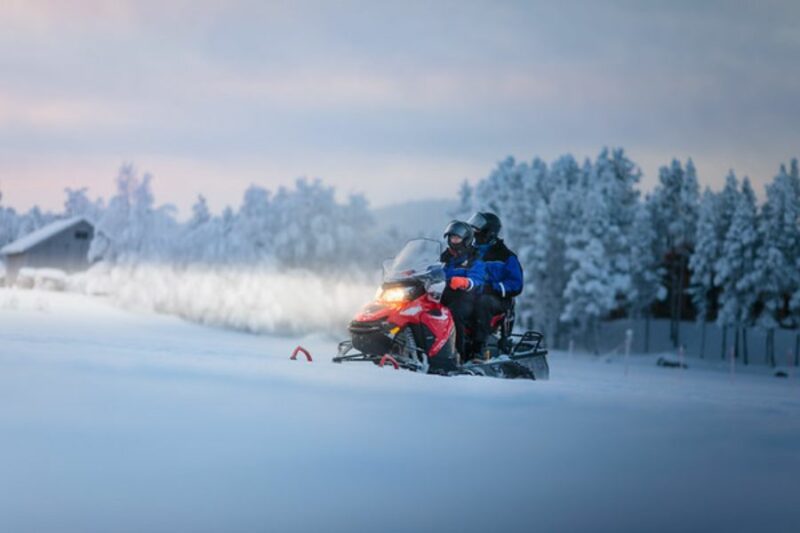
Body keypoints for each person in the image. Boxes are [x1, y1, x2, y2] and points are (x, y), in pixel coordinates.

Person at [467, 212, 523, 359]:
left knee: (483, 302)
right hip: (471, 294)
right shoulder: (469, 252)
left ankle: (478, 348)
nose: (474, 233)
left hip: (498, 299)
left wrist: (493, 288)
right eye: (473, 230)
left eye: (477, 230)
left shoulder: (505, 256)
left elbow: (516, 284)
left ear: (488, 232)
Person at [440, 220, 485, 362]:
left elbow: (478, 279)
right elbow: (432, 269)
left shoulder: (474, 257)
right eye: (451, 237)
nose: (453, 240)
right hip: (445, 293)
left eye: (457, 238)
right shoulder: (445, 256)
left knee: (453, 314)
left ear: (466, 240)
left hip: (467, 297)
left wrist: (466, 282)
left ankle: (458, 354)